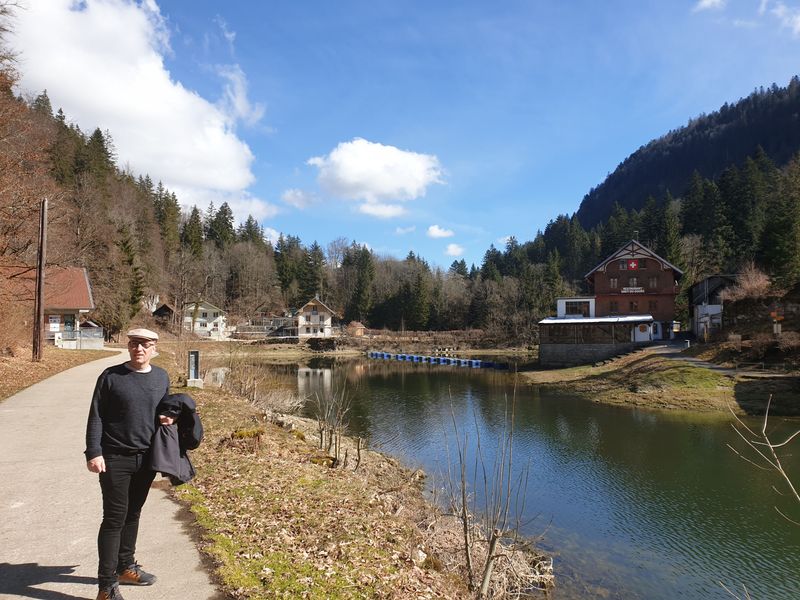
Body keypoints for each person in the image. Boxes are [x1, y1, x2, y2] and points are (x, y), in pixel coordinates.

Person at [84, 328, 172, 600]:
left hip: (146, 459)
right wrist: (93, 452)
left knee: (133, 513)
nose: (139, 349)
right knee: (113, 519)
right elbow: (96, 416)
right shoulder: (111, 377)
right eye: (134, 344)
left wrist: (170, 417)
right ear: (128, 346)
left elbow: (164, 410)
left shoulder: (161, 377)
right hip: (114, 458)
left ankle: (125, 566)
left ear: (154, 348)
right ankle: (106, 587)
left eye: (145, 345)